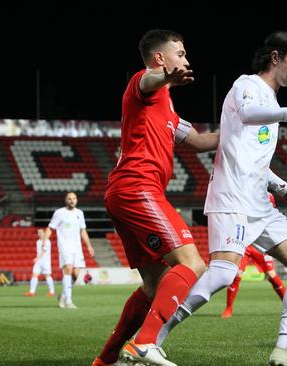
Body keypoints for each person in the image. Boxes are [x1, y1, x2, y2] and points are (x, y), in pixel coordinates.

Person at [157, 31, 287, 366]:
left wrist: (284, 189)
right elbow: (249, 114)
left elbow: (255, 161)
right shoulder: (247, 85)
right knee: (222, 274)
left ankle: (285, 348)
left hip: (260, 204)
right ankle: (151, 337)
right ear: (275, 58)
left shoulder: (272, 103)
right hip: (232, 197)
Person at [92, 29, 220, 366]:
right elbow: (148, 81)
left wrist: (247, 130)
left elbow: (203, 142)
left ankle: (106, 360)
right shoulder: (143, 84)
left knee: (154, 285)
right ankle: (145, 343)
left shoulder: (168, 111)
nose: (186, 60)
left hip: (124, 192)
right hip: (138, 187)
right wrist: (165, 76)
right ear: (160, 58)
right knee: (192, 264)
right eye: (180, 53)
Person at [221, 193, 286, 318]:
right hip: (246, 244)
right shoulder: (246, 198)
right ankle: (228, 308)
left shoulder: (268, 201)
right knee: (237, 275)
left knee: (271, 275)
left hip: (261, 244)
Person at [44, 192, 94, 309]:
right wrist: (44, 241)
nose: (72, 200)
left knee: (76, 274)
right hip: (65, 246)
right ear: (66, 200)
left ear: (76, 200)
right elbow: (50, 228)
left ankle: (63, 295)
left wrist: (89, 246)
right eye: (69, 199)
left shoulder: (79, 213)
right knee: (68, 269)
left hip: (77, 248)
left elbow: (83, 231)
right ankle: (69, 301)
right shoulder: (59, 213)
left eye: (74, 198)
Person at [24, 228, 55, 297]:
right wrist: (38, 259)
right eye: (38, 233)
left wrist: (37, 258)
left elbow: (44, 251)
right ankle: (31, 292)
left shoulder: (47, 241)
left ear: (44, 233)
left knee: (47, 275)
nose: (39, 234)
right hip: (38, 262)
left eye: (41, 232)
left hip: (45, 261)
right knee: (34, 274)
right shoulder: (38, 242)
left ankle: (52, 292)